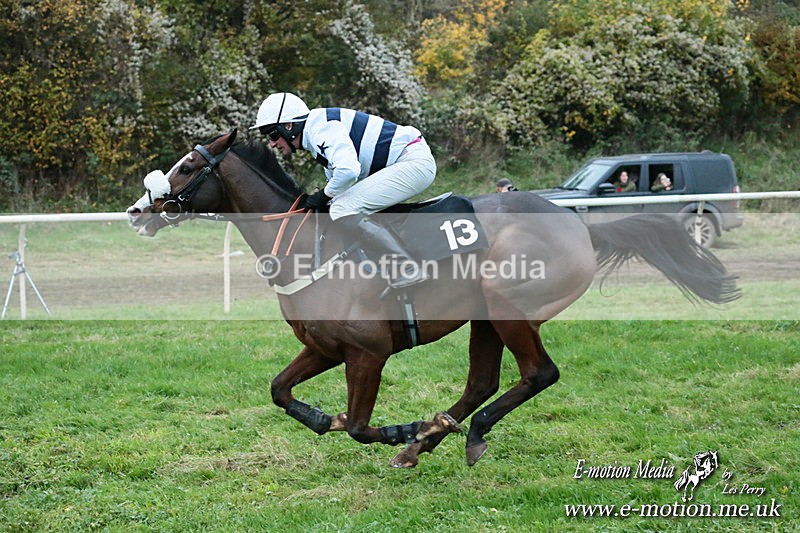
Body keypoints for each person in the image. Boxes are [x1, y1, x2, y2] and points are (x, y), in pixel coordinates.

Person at [251, 92, 435, 290]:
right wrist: (326, 198)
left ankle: (405, 267)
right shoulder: (316, 131)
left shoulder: (321, 129)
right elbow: (342, 178)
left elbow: (348, 171)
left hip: (412, 162)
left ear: (289, 126)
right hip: (405, 160)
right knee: (337, 205)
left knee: (342, 208)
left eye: (273, 134)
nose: (272, 143)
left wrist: (324, 195)